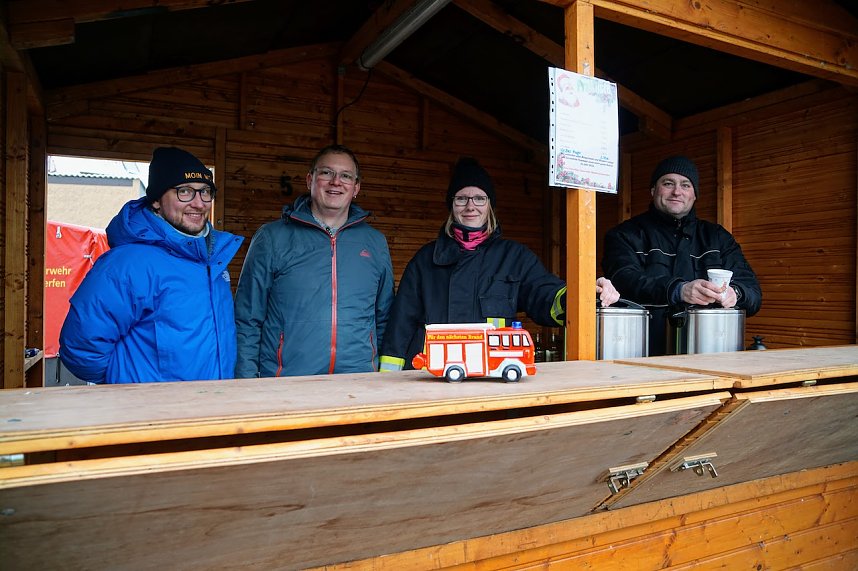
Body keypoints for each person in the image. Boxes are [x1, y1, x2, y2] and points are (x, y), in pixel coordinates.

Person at [379, 157, 620, 372]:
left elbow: (544, 295)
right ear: (451, 205)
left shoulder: (514, 257)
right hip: (430, 374)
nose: (470, 206)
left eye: (479, 198)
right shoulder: (425, 259)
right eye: (461, 198)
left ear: (490, 205)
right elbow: (401, 324)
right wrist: (389, 380)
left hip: (492, 374)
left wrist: (585, 294)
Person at [59, 147, 244, 383]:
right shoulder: (126, 265)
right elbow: (80, 349)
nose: (199, 203)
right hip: (150, 414)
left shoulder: (212, 260)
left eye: (205, 191)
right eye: (184, 191)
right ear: (156, 200)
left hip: (209, 410)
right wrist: (128, 388)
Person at [234, 144, 394, 377]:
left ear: (356, 187)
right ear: (310, 180)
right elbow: (248, 317)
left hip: (358, 381)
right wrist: (246, 381)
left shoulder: (374, 243)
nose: (336, 182)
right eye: (326, 173)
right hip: (286, 382)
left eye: (346, 176)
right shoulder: (272, 238)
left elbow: (385, 317)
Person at [601, 155, 762, 356]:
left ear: (694, 195)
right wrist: (678, 290)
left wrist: (735, 294)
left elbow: (754, 294)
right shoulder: (625, 234)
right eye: (668, 183)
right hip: (642, 355)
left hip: (711, 357)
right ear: (653, 190)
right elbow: (623, 279)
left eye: (685, 185)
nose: (677, 191)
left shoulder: (718, 237)